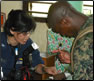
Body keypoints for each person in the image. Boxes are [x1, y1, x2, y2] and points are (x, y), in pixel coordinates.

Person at [1, 9, 58, 80]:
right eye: (24, 33)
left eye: (29, 32)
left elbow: (37, 65)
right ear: (12, 30)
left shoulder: (28, 44)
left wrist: (45, 69)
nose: (28, 37)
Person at [47, 1, 93, 80]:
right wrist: (74, 59)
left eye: (59, 31)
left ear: (64, 22)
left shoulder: (83, 43)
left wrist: (79, 56)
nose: (62, 35)